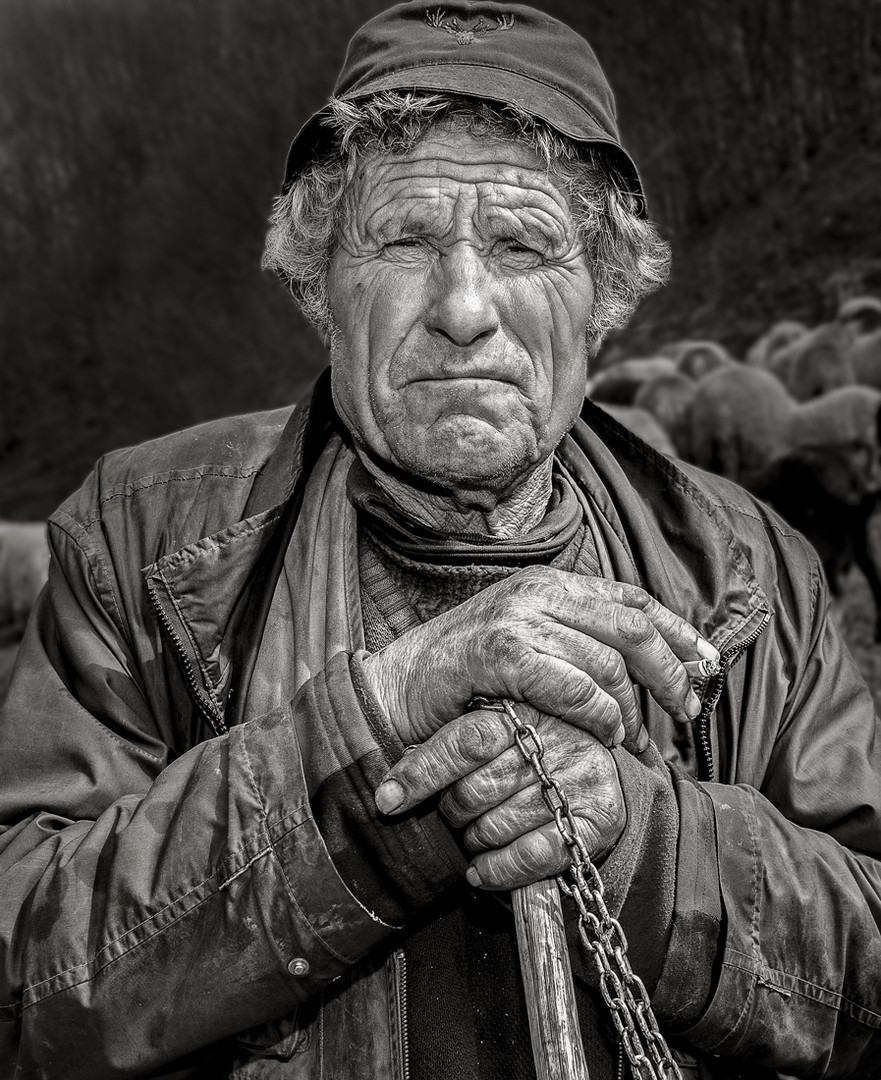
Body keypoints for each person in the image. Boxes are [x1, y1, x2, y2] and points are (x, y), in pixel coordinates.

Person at [1, 3, 880, 1077]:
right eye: (405, 239)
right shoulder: (143, 545)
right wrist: (370, 738)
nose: (463, 306)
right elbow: (24, 978)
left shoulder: (749, 572)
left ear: (601, 298)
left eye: (521, 245)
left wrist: (650, 852)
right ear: (320, 283)